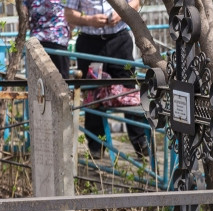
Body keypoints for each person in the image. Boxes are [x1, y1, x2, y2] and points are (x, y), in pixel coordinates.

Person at [62, 0, 148, 160]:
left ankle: (140, 143)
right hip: (90, 42)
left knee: (130, 91)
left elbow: (136, 1)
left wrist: (121, 13)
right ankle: (96, 146)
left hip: (119, 40)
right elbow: (68, 13)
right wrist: (89, 20)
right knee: (92, 95)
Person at [24, 0, 71, 79]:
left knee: (39, 82)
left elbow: (23, 20)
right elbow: (71, 18)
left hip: (37, 41)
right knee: (62, 82)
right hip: (59, 39)